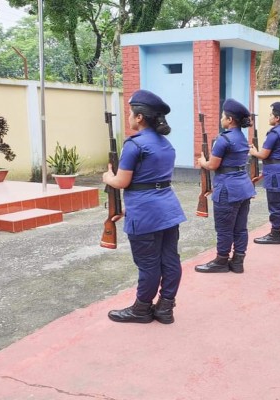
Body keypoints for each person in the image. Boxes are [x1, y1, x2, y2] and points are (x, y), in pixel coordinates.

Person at [102, 89, 187, 324]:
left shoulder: (135, 145)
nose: (129, 117)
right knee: (170, 260)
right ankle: (165, 307)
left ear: (139, 117)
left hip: (145, 213)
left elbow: (122, 182)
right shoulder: (166, 144)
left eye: (131, 113)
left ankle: (142, 309)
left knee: (148, 264)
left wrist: (107, 177)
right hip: (168, 209)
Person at [194, 98, 256, 273]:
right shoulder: (242, 138)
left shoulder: (224, 139)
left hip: (227, 189)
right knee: (240, 227)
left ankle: (221, 260)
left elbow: (213, 165)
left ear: (230, 120)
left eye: (223, 116)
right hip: (243, 187)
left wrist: (203, 161)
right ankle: (237, 261)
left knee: (224, 228)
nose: (221, 119)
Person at [250, 102, 280, 245]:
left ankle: (275, 233)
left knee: (276, 204)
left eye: (271, 115)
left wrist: (253, 152)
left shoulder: (275, 132)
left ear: (277, 118)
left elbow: (264, 154)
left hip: (276, 173)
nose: (269, 117)